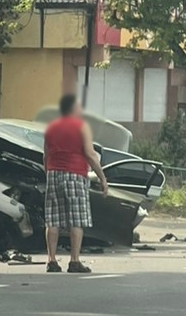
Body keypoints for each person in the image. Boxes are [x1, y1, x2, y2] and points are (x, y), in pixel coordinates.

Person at [44, 94, 108, 274]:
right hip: (75, 174)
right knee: (77, 220)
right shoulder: (81, 127)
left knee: (53, 219)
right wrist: (102, 178)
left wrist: (48, 172)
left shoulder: (50, 128)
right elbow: (90, 154)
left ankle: (52, 261)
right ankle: (74, 261)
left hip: (53, 173)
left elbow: (45, 155)